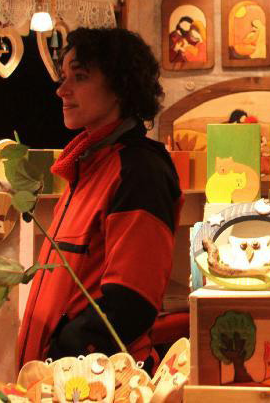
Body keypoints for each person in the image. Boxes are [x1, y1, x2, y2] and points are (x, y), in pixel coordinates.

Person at [17, 28, 182, 372]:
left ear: (121, 85)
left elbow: (132, 299)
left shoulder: (139, 170)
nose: (62, 90)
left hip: (97, 382)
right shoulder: (87, 166)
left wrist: (64, 355)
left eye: (79, 77)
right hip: (59, 379)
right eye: (63, 77)